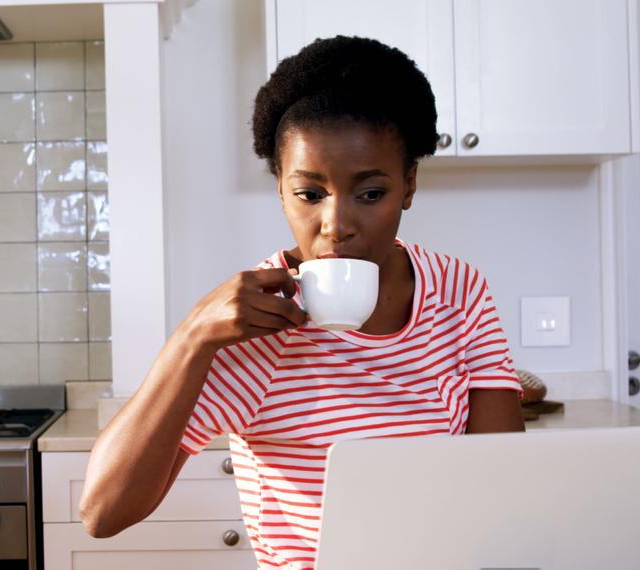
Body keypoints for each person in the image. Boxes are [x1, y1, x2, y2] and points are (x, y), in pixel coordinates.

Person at [79, 36, 525, 569]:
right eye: (310, 195)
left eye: (371, 193)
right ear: (280, 190)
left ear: (408, 185)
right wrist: (192, 337)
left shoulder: (460, 291)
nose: (336, 225)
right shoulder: (254, 328)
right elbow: (103, 512)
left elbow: (504, 489)